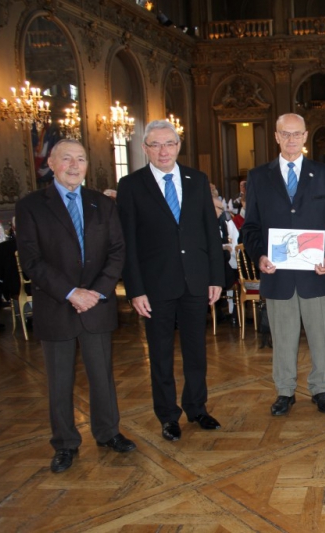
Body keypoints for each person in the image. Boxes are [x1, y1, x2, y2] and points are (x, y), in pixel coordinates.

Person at [16, 139, 135, 473]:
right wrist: (71, 292)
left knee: (102, 376)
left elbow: (117, 252)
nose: (74, 165)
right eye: (66, 158)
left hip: (96, 304)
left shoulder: (102, 204)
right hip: (57, 305)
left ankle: (108, 432)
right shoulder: (32, 206)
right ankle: (65, 443)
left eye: (80, 158)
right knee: (59, 380)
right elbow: (31, 260)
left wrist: (95, 292)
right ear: (51, 164)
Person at [117, 120, 225, 442]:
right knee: (160, 355)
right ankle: (168, 416)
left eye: (169, 144)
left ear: (178, 146)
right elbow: (128, 243)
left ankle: (197, 408)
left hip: (195, 282)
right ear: (145, 149)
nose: (163, 151)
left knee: (196, 352)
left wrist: (215, 277)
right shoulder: (131, 185)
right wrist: (135, 289)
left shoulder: (197, 180)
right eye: (156, 145)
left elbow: (210, 232)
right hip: (155, 286)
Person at [242, 113, 325, 416]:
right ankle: (285, 391)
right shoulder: (259, 176)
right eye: (285, 134)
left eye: (297, 134)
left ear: (305, 137)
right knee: (283, 338)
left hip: (317, 273)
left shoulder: (324, 174)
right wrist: (260, 255)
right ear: (276, 137)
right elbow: (250, 227)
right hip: (279, 275)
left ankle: (321, 388)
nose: (291, 140)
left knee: (323, 339)